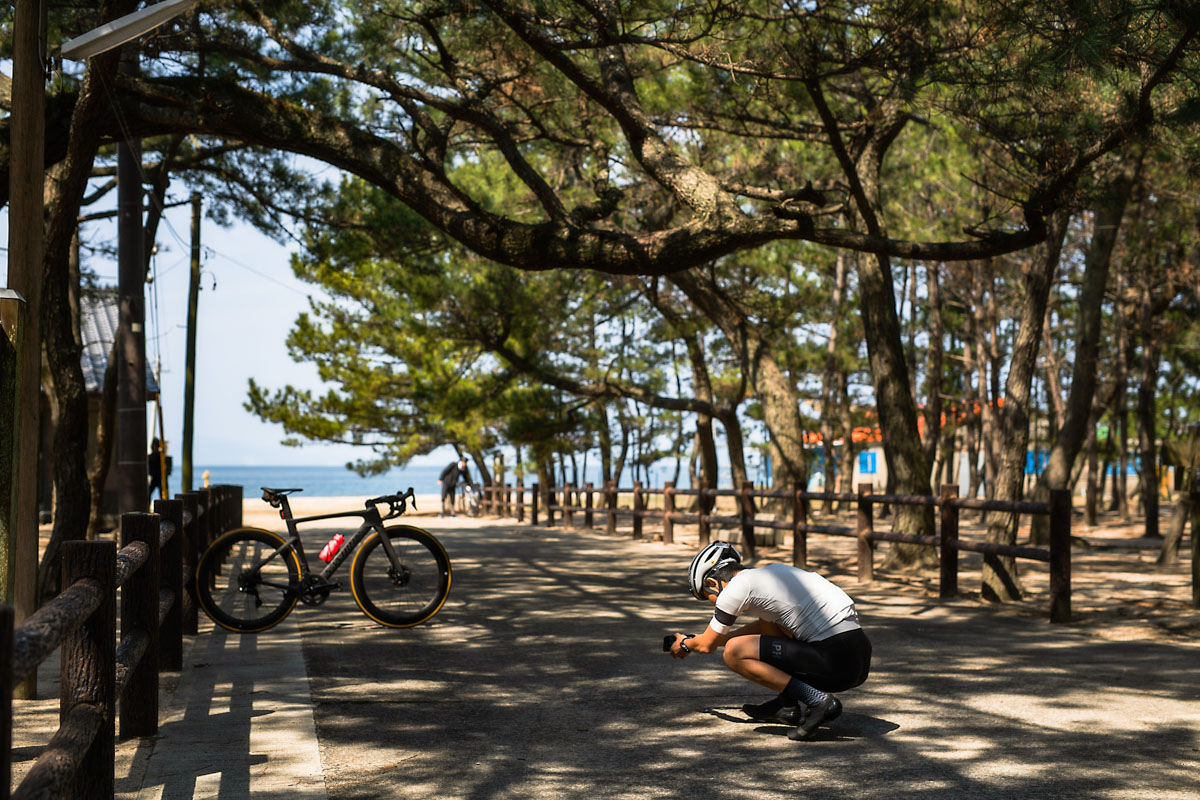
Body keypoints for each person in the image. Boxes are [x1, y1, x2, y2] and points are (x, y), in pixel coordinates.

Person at [667, 541, 871, 741]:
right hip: (856, 660)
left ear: (712, 583)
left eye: (707, 597)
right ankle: (787, 705)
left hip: (834, 659)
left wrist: (686, 644)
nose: (713, 603)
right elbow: (760, 632)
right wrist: (708, 639)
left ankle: (818, 701)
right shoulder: (767, 576)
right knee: (768, 628)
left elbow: (706, 646)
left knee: (734, 652)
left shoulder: (734, 590)